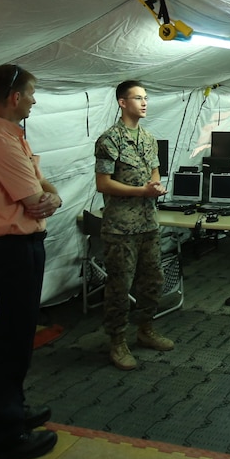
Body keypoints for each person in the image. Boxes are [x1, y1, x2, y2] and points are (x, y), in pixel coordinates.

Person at [0, 64, 61, 459]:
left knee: (18, 337)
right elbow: (33, 198)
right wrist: (46, 196)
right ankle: (4, 437)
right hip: (9, 252)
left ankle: (13, 410)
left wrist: (51, 196)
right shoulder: (1, 144)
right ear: (15, 97)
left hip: (21, 248)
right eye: (32, 93)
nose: (35, 100)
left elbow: (47, 190)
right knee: (6, 342)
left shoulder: (11, 136)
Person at [94, 80, 173, 370]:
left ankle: (146, 330)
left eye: (146, 98)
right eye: (138, 98)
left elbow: (154, 174)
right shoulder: (109, 140)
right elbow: (103, 183)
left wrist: (156, 187)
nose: (144, 103)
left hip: (147, 223)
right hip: (121, 228)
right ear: (122, 103)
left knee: (153, 281)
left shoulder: (149, 139)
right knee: (119, 286)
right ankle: (117, 341)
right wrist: (142, 191)